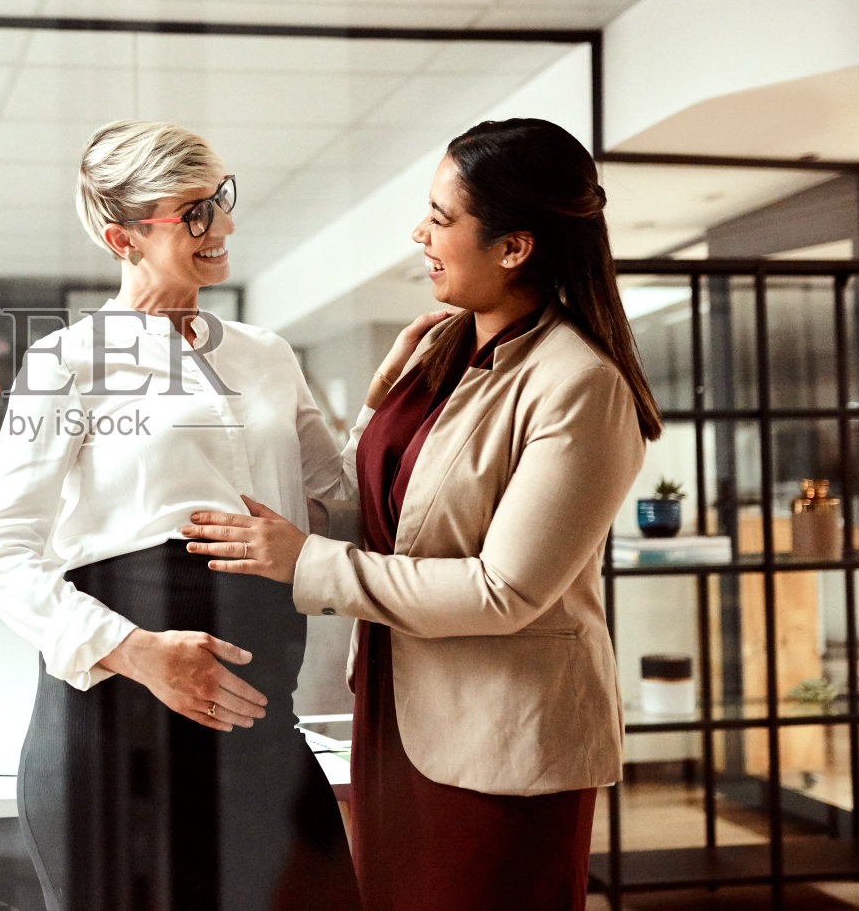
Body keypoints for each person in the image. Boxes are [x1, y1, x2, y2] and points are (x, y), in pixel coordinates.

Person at [182, 117, 660, 911]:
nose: (419, 233)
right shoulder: (439, 351)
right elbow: (393, 513)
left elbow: (503, 592)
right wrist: (375, 409)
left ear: (515, 247)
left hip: (500, 743)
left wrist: (303, 562)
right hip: (395, 715)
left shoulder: (579, 384)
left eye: (441, 219)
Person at [0, 121, 360, 911]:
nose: (224, 227)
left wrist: (403, 395)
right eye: (195, 211)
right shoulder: (68, 362)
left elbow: (344, 495)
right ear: (123, 236)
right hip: (119, 738)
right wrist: (139, 652)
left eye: (222, 201)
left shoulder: (267, 356)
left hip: (259, 727)